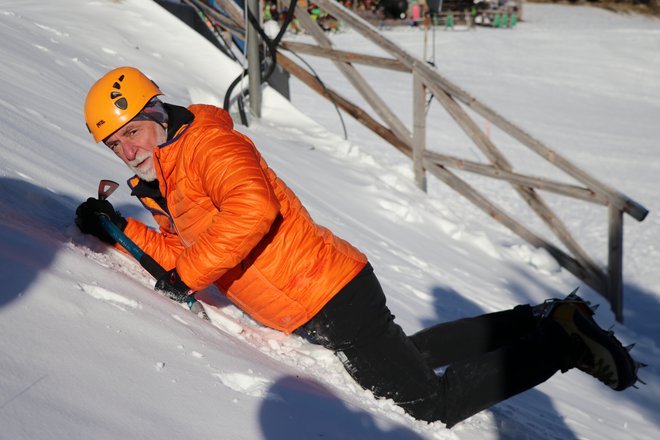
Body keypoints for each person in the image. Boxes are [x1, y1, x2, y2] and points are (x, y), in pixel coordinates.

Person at [76, 67, 640, 428]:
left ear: (154, 113)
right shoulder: (164, 176)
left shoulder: (209, 147)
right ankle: (537, 319)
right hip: (316, 296)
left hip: (326, 292)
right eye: (113, 142)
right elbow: (181, 253)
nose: (125, 150)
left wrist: (189, 272)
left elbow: (253, 211)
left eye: (130, 132)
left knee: (425, 404)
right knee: (408, 357)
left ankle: (559, 341)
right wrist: (116, 231)